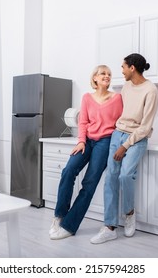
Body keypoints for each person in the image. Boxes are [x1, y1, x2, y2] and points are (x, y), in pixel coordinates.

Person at [90, 53, 158, 244]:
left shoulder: (151, 90)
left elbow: (145, 127)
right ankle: (109, 227)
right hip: (117, 134)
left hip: (137, 138)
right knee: (111, 177)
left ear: (132, 68)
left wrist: (125, 145)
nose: (120, 71)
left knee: (125, 175)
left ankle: (129, 213)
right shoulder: (127, 87)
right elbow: (120, 112)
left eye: (123, 67)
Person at [49, 65, 123, 240]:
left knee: (89, 183)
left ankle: (69, 226)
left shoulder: (117, 98)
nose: (107, 76)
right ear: (95, 78)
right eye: (103, 73)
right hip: (87, 141)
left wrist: (123, 145)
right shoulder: (87, 98)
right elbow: (83, 122)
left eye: (109, 74)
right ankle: (59, 216)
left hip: (105, 142)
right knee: (68, 171)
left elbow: (121, 124)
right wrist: (81, 141)